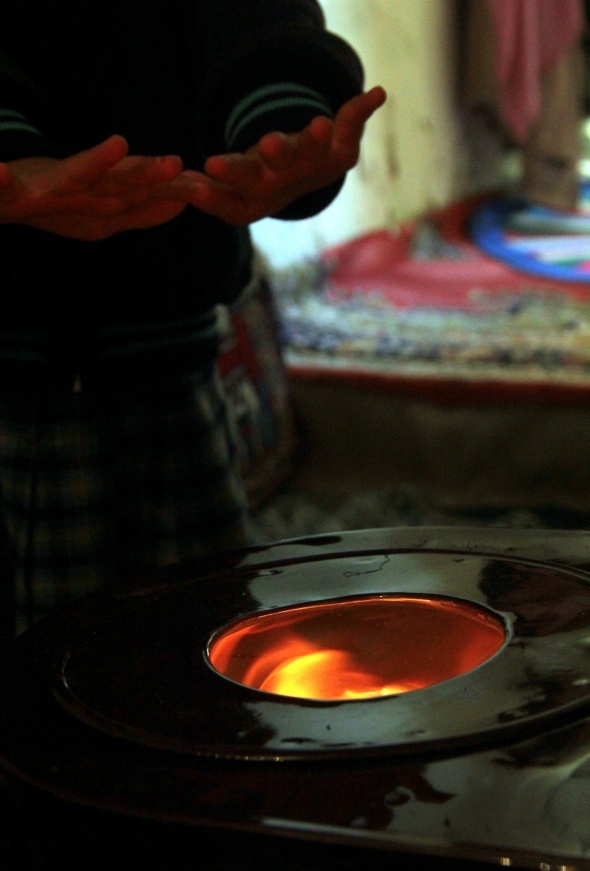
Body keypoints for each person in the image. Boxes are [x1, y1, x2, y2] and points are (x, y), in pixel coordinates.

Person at [0, 0, 386, 639]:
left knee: (210, 625)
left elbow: (252, 17)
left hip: (180, 337)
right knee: (53, 665)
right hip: (23, 356)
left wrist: (281, 123)